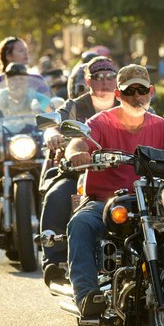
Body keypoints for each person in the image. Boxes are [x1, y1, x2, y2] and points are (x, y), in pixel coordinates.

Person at [65, 64, 164, 317]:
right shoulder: (101, 122)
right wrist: (77, 154)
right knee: (80, 223)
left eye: (142, 90)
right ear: (118, 94)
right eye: (129, 91)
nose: (136, 97)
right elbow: (79, 141)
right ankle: (86, 296)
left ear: (151, 92)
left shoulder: (160, 126)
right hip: (107, 201)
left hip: (152, 200)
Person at [39, 56, 120, 284]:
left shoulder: (128, 104)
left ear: (118, 81)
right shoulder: (74, 106)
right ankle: (54, 262)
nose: (105, 81)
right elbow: (55, 125)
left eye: (110, 76)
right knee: (57, 195)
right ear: (88, 81)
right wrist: (53, 135)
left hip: (122, 174)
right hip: (79, 172)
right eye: (98, 77)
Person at [0, 63, 51, 232]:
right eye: (12, 79)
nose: (17, 83)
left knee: (53, 168)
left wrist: (49, 112)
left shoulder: (36, 98)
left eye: (21, 79)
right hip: (3, 145)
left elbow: (51, 109)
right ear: (6, 80)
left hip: (33, 146)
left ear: (26, 81)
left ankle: (60, 215)